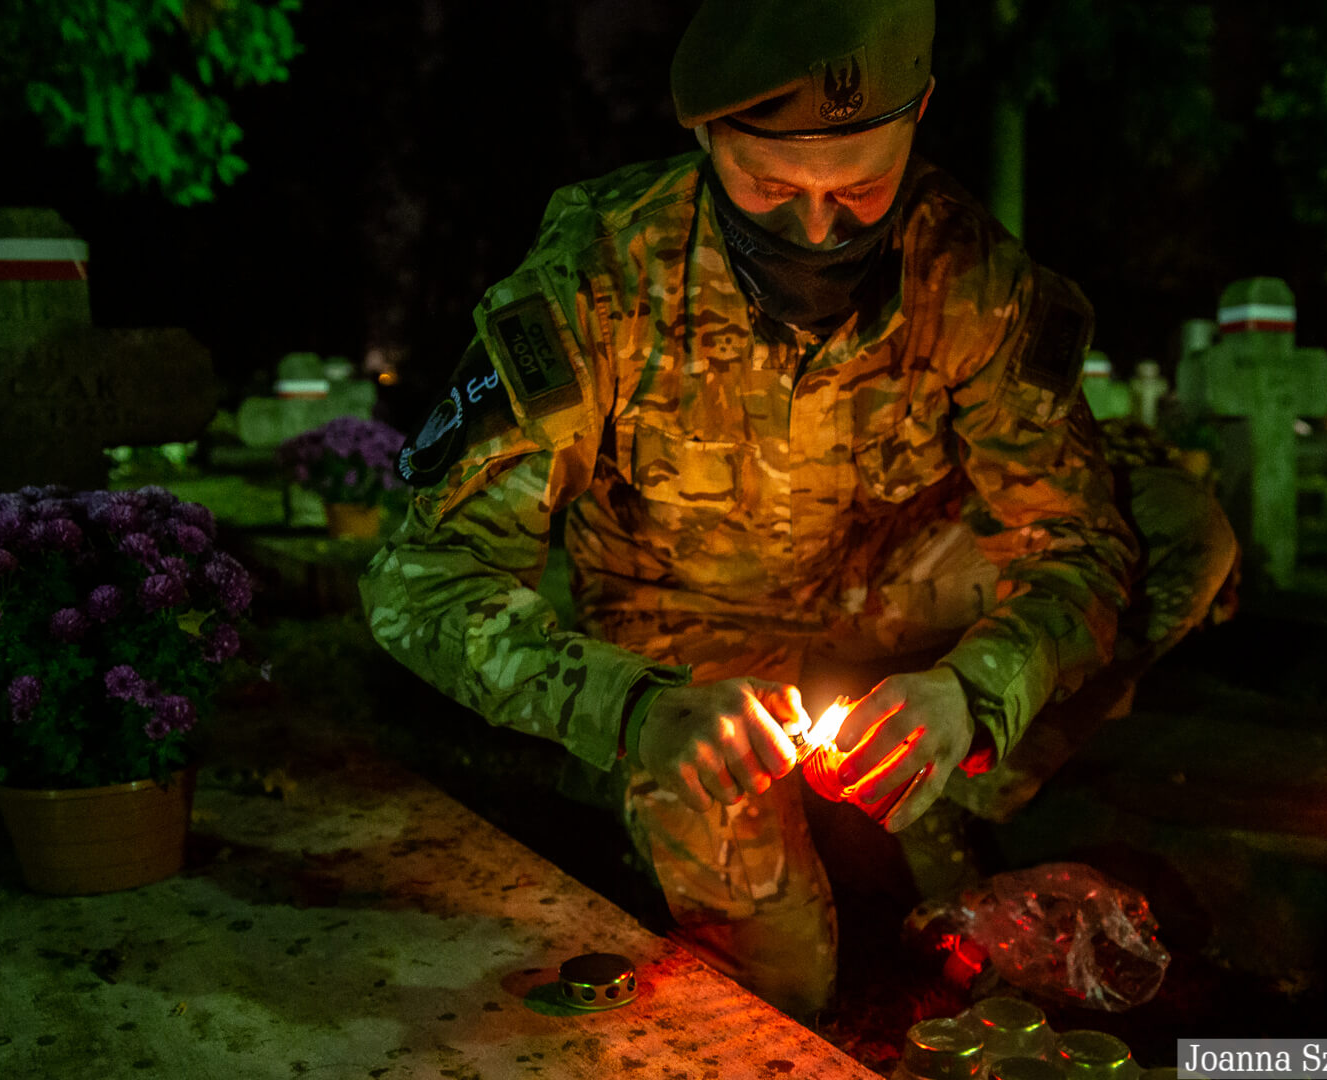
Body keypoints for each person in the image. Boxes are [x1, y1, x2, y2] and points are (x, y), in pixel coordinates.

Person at [360, 0, 1236, 1018]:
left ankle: (949, 781)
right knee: (783, 993)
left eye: (862, 188)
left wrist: (974, 693)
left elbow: (1080, 543)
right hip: (690, 648)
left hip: (885, 593)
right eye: (771, 185)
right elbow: (421, 583)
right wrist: (631, 710)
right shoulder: (597, 279)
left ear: (923, 117)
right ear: (703, 135)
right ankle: (672, 802)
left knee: (1179, 529)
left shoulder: (971, 275)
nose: (817, 230)